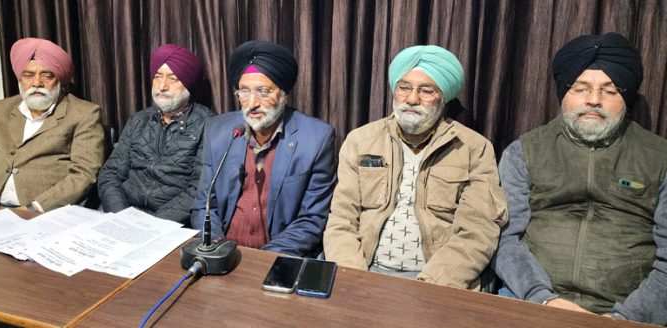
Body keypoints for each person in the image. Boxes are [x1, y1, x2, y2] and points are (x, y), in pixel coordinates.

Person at [492, 32, 667, 325]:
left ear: (626, 97)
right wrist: (543, 298)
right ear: (564, 93)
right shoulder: (524, 151)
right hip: (531, 300)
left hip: (631, 313)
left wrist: (624, 317)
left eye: (610, 91)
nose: (594, 101)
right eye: (581, 88)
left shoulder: (660, 157)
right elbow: (505, 238)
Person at [323, 45, 508, 288]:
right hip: (364, 271)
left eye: (426, 91)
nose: (412, 99)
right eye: (404, 88)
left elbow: (478, 232)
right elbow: (342, 219)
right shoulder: (360, 140)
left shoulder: (474, 148)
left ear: (443, 97)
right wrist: (355, 277)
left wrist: (430, 285)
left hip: (438, 282)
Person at [191, 40, 336, 257]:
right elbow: (204, 206)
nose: (252, 103)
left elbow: (312, 219)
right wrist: (218, 249)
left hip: (279, 256)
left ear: (283, 94)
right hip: (222, 251)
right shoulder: (218, 131)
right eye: (244, 92)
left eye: (263, 91)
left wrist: (261, 259)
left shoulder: (316, 139)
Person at [0, 38, 104, 213]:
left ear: (59, 80)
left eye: (47, 75)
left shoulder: (84, 114)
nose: (36, 83)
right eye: (28, 75)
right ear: (20, 79)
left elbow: (84, 174)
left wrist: (33, 209)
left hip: (43, 212)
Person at [98, 45, 215, 224]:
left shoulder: (208, 124)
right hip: (124, 216)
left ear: (188, 83)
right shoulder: (139, 120)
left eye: (173, 79)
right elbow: (110, 173)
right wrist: (120, 216)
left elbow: (199, 189)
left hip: (171, 223)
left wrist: (152, 225)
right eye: (158, 77)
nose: (162, 86)